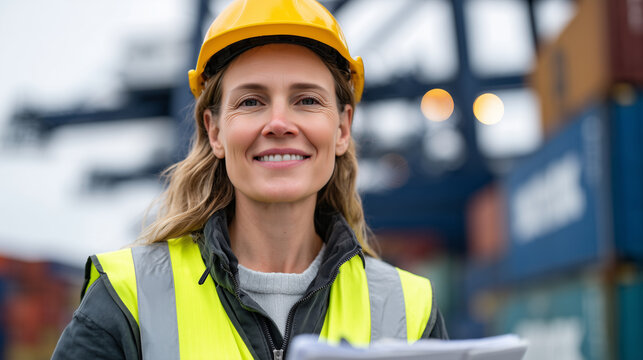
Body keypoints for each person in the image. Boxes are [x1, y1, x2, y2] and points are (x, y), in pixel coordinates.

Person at [52, 0, 448, 358]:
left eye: (307, 100)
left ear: (343, 128)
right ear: (215, 131)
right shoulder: (127, 297)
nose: (279, 123)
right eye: (251, 101)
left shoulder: (409, 310)